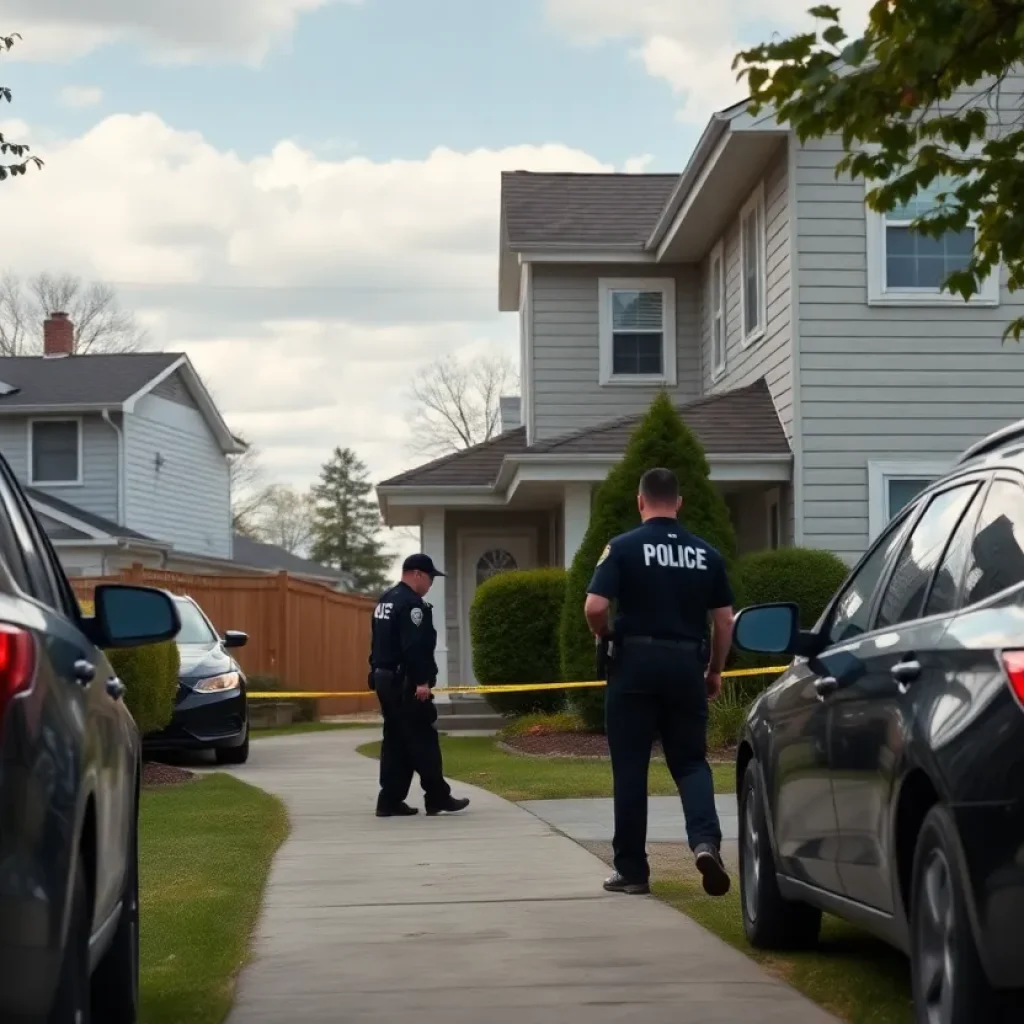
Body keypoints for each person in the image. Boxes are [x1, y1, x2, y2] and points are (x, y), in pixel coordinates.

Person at [584, 467, 734, 897]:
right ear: (680, 503)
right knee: (690, 762)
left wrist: (604, 634)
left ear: (640, 501)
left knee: (630, 768)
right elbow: (724, 621)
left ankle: (632, 870)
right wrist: (715, 670)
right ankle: (705, 842)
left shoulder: (623, 548)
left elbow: (595, 606)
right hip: (686, 664)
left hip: (634, 664)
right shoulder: (706, 554)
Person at [369, 553, 470, 817]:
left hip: (385, 679)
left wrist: (375, 672)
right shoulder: (412, 605)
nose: (431, 584)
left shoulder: (386, 601)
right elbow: (414, 647)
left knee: (397, 741)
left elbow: (377, 643)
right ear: (417, 574)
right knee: (423, 739)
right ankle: (438, 796)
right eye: (429, 578)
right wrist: (421, 681)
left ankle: (389, 800)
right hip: (406, 684)